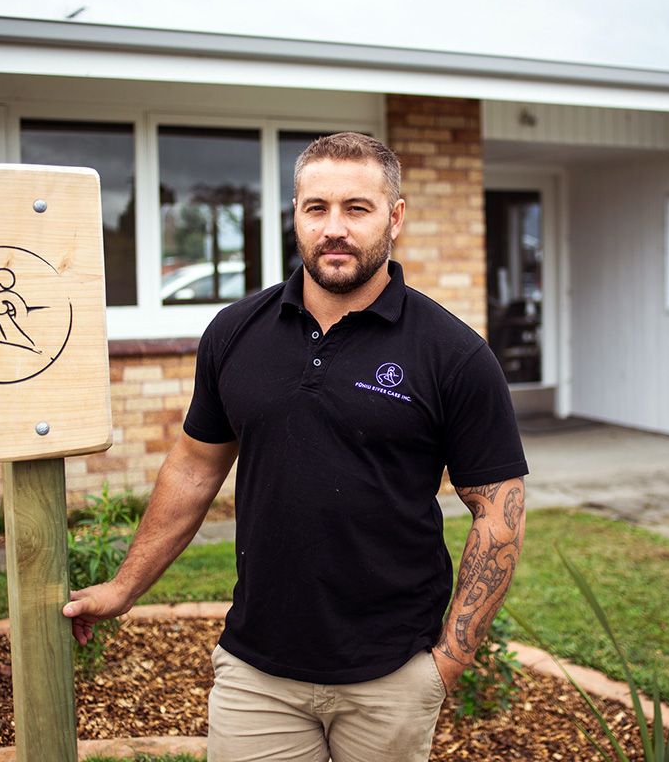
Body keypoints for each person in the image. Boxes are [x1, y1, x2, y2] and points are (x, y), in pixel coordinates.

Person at [63, 132, 528, 761]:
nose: (334, 228)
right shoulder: (236, 332)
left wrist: (449, 659)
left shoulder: (453, 354)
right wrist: (123, 587)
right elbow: (195, 469)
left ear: (395, 216)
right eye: (317, 208)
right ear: (296, 216)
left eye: (356, 209)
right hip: (259, 672)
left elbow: (499, 512)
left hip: (391, 674)